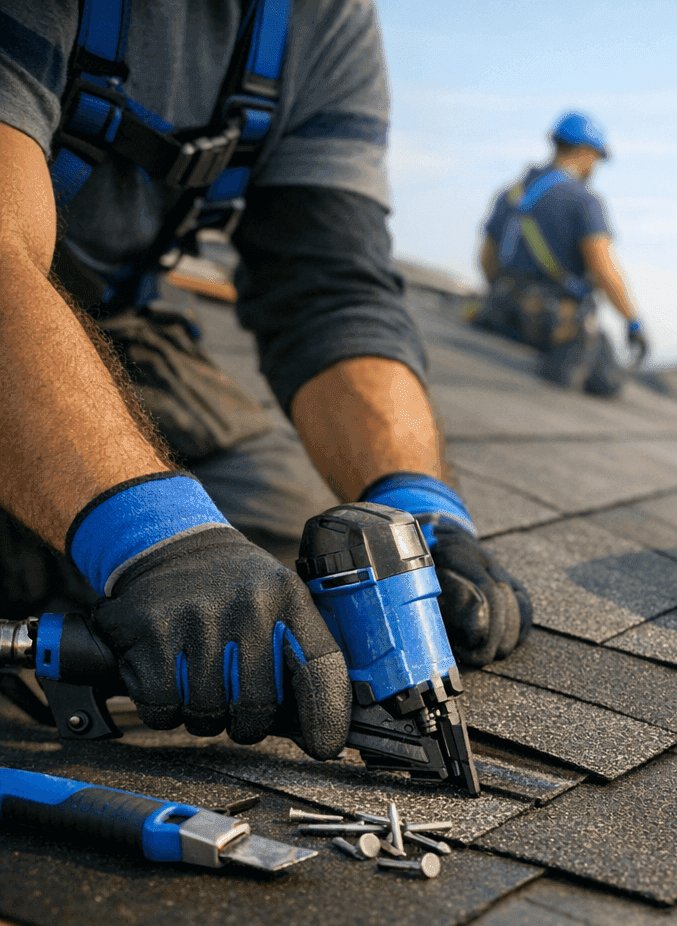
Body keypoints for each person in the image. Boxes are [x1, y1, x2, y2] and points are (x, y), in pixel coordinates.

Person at [0, 0, 530, 760]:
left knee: (274, 541)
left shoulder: (321, 19)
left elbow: (329, 288)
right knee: (183, 561)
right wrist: (157, 539)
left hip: (112, 320)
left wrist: (416, 503)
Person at [474, 111, 648, 397]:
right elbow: (604, 270)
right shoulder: (584, 201)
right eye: (596, 158)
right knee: (607, 381)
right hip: (552, 328)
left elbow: (487, 260)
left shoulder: (511, 194)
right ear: (584, 152)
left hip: (501, 312)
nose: (595, 166)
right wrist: (633, 322)